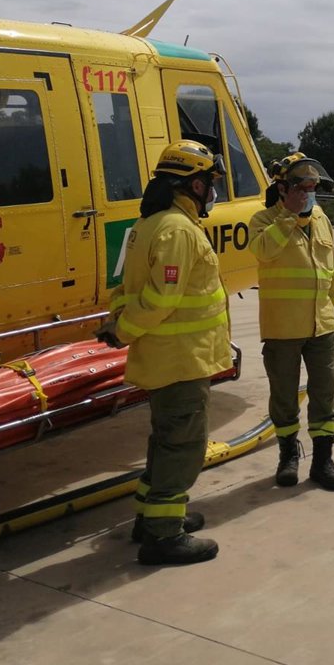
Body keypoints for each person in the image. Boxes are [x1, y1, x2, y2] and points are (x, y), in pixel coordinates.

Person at [98, 140, 230, 566]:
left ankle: (151, 517)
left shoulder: (148, 224)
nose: (213, 191)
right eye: (210, 182)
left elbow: (125, 289)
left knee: (166, 440)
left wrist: (119, 325)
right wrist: (123, 332)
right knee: (183, 446)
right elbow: (160, 299)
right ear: (195, 185)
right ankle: (163, 536)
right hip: (181, 360)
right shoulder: (178, 230)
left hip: (166, 358)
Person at [250, 152, 334, 491]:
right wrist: (288, 216)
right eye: (302, 187)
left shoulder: (321, 218)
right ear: (283, 189)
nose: (309, 193)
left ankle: (323, 461)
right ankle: (287, 456)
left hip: (321, 326)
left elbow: (333, 268)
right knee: (283, 397)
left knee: (325, 394)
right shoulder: (263, 220)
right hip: (282, 328)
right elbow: (263, 251)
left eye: (312, 187)